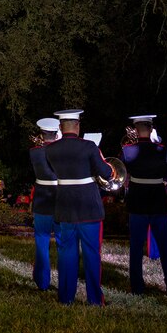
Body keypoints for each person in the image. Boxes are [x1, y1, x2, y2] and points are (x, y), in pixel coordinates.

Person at [45, 108, 112, 306]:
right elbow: (106, 173)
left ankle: (66, 297)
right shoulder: (89, 146)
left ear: (60, 127)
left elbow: (51, 172)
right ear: (78, 126)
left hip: (65, 205)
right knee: (92, 254)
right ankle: (94, 299)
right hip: (88, 206)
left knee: (66, 253)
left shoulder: (50, 149)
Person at [122, 114, 167, 298]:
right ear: (151, 128)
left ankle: (137, 287)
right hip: (158, 199)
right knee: (166, 247)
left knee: (136, 247)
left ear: (136, 129)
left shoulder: (127, 150)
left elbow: (123, 174)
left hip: (137, 201)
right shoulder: (161, 150)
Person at [28, 117, 61, 291]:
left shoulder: (34, 152)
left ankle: (42, 281)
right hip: (60, 199)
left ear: (42, 133)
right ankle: (65, 279)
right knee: (64, 242)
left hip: (41, 200)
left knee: (41, 241)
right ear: (57, 134)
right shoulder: (63, 151)